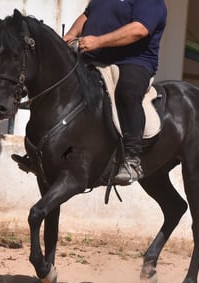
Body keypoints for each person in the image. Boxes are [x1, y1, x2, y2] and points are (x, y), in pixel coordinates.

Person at [63, 0, 167, 185]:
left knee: (127, 90)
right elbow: (87, 15)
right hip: (94, 57)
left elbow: (139, 29)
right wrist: (71, 34)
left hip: (133, 61)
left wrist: (98, 41)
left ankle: (132, 158)